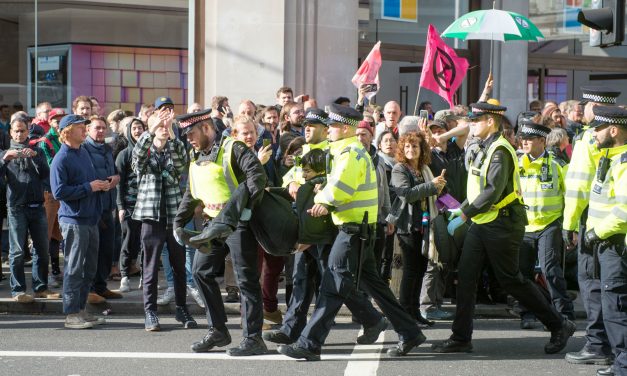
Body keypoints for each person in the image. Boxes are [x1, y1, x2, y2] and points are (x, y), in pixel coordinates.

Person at [278, 104, 427, 361]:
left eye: (333, 126)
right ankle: (410, 331)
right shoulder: (340, 151)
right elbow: (311, 174)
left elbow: (340, 189)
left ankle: (309, 343)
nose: (329, 130)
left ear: (344, 127)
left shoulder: (350, 153)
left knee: (332, 284)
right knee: (377, 288)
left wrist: (322, 200)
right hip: (357, 230)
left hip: (353, 231)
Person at [432, 101, 575, 354]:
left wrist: (464, 214)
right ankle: (461, 337)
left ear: (490, 122)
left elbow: (492, 191)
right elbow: (477, 188)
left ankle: (559, 324)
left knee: (511, 280)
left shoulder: (500, 150)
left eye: (476, 121)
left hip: (502, 223)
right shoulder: (484, 147)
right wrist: (463, 208)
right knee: (465, 277)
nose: (471, 125)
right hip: (483, 221)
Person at [173, 109, 268, 356]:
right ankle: (218, 331)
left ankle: (254, 338)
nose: (188, 139)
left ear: (206, 128)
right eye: (186, 136)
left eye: (191, 133)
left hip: (239, 225)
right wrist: (178, 222)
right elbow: (190, 194)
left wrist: (238, 210)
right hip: (213, 225)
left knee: (245, 280)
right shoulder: (196, 156)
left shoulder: (233, 148)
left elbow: (257, 176)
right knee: (200, 271)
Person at [563, 86, 620, 367]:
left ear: (595, 107)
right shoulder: (603, 134)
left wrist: (570, 222)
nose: (581, 109)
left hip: (594, 220)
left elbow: (579, 185)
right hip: (607, 221)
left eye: (585, 104)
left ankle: (599, 343)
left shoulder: (589, 137)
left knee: (594, 284)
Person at [132, 109, 196, 331]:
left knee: (179, 264)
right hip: (151, 215)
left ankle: (181, 308)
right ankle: (150, 312)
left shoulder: (174, 147)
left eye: (165, 126)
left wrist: (170, 129)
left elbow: (182, 164)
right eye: (159, 125)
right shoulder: (145, 150)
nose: (163, 129)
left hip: (173, 214)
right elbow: (137, 161)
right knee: (150, 266)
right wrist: (151, 130)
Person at [50, 115, 109, 329]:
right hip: (73, 220)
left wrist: (101, 185)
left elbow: (87, 182)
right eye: (80, 127)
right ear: (67, 131)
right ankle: (71, 314)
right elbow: (58, 192)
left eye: (85, 126)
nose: (85, 130)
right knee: (74, 268)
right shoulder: (61, 158)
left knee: (89, 268)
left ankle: (82, 309)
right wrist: (89, 187)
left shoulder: (82, 152)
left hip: (90, 218)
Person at [582, 105, 627, 376]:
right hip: (606, 244)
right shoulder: (609, 158)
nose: (594, 134)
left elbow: (624, 210)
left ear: (613, 130)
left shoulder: (624, 163)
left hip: (615, 244)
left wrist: (596, 233)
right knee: (612, 305)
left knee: (617, 307)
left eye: (598, 128)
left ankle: (624, 366)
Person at [516, 120, 574, 329]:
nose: (524, 142)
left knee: (550, 270)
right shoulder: (516, 163)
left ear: (542, 141)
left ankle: (563, 314)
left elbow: (571, 196)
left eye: (529, 139)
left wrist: (571, 227)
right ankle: (527, 313)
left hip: (550, 225)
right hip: (523, 227)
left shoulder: (558, 164)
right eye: (522, 138)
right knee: (523, 274)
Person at [0, 116, 59, 302]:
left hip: (37, 206)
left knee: (42, 249)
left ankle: (40, 288)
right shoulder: (4, 153)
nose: (19, 134)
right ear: (10, 132)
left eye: (22, 131)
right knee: (16, 252)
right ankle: (18, 291)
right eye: (16, 131)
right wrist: (4, 160)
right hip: (16, 207)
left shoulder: (37, 151)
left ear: (28, 132)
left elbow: (47, 178)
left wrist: (36, 159)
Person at [389, 131, 446, 322]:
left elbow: (436, 194)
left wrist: (445, 197)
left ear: (422, 150)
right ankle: (406, 312)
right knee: (411, 270)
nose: (411, 150)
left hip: (424, 224)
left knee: (421, 269)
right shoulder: (399, 169)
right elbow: (406, 194)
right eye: (407, 146)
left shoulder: (424, 169)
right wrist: (432, 186)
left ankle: (414, 312)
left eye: (415, 146)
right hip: (407, 225)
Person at [83, 116, 122, 303]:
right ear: (88, 129)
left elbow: (114, 171)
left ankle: (101, 286)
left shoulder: (107, 148)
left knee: (107, 249)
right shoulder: (83, 149)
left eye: (103, 128)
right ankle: (90, 290)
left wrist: (116, 178)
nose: (101, 131)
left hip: (108, 205)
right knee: (92, 252)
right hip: (91, 207)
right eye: (97, 128)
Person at [116, 118, 146, 292]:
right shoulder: (124, 154)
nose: (137, 131)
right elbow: (119, 183)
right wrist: (120, 207)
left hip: (147, 206)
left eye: (140, 128)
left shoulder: (150, 151)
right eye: (134, 128)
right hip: (128, 205)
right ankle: (124, 276)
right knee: (128, 241)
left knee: (145, 243)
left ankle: (145, 276)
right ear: (129, 131)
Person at [39, 108, 66, 287]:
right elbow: (51, 165)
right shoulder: (46, 141)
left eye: (61, 119)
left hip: (61, 192)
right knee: (45, 235)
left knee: (57, 234)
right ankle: (45, 274)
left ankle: (56, 270)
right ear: (50, 122)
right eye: (55, 120)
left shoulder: (63, 139)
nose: (58, 123)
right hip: (49, 192)